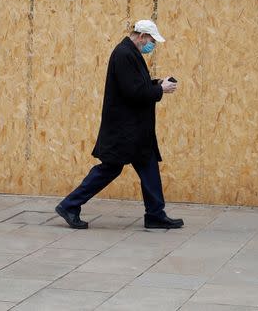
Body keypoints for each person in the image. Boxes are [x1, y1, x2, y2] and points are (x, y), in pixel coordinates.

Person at [55, 19, 183, 229]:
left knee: (148, 165)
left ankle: (155, 214)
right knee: (110, 169)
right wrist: (161, 90)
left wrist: (156, 82)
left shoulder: (130, 53)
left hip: (135, 131)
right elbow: (133, 92)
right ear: (141, 36)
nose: (152, 45)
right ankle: (69, 205)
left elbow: (136, 85)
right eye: (152, 41)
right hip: (125, 131)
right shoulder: (124, 54)